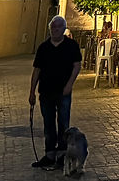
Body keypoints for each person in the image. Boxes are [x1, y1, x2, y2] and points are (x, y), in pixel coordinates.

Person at [29, 15, 82, 169]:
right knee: (48, 123)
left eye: (58, 27)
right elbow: (37, 70)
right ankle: (50, 154)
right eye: (53, 27)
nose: (55, 30)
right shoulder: (43, 47)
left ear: (64, 29)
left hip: (63, 91)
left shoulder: (71, 46)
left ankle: (62, 154)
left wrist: (69, 85)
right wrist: (32, 91)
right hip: (46, 91)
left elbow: (77, 65)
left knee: (64, 122)